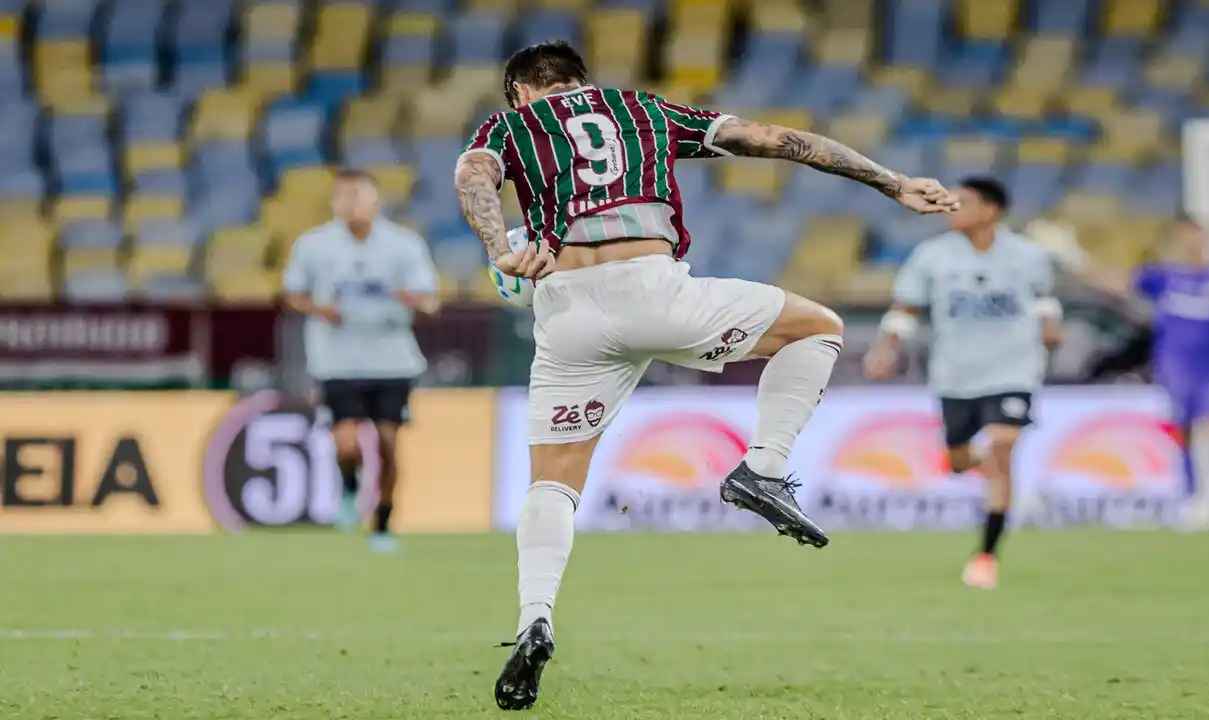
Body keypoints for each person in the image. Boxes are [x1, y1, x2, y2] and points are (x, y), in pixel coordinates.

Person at [454, 41, 960, 711]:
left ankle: (534, 619)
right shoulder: (640, 109)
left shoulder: (509, 125)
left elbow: (473, 175)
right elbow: (777, 140)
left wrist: (499, 249)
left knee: (553, 480)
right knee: (817, 328)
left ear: (519, 91)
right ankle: (763, 468)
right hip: (653, 291)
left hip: (567, 311)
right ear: (581, 79)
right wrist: (894, 183)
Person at [864, 177, 1061, 590]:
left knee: (1003, 444)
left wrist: (1050, 326)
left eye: (964, 202)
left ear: (991, 210)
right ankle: (1001, 481)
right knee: (958, 462)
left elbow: (1044, 298)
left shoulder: (1029, 256)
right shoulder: (932, 256)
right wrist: (885, 348)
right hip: (955, 375)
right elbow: (905, 308)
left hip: (1013, 369)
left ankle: (986, 556)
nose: (952, 208)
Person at [1032, 213, 1209, 529]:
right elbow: (1117, 283)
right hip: (1176, 368)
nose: (1193, 242)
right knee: (1184, 432)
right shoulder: (1164, 278)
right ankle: (1194, 498)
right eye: (1187, 235)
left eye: (1199, 235)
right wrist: (1075, 261)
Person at [282, 168, 440, 553]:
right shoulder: (314, 245)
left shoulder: (404, 245)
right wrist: (320, 310)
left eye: (359, 196)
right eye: (344, 197)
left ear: (376, 201)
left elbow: (430, 302)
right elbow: (293, 294)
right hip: (337, 359)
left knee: (388, 443)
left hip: (392, 359)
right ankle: (350, 485)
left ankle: (382, 523)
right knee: (346, 444)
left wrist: (412, 299)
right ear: (334, 202)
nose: (352, 205)